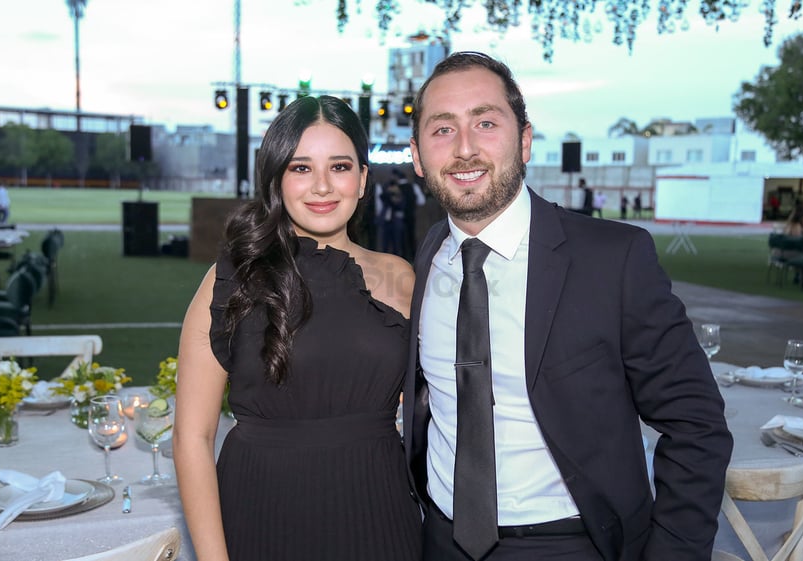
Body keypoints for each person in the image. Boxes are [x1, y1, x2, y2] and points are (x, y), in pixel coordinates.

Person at [403, 51, 732, 561]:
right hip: (440, 540)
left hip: (573, 544)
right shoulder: (428, 257)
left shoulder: (614, 259)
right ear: (418, 155)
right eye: (442, 129)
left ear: (525, 140)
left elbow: (697, 426)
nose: (465, 148)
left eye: (486, 122)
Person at [173, 95, 422, 561]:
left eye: (341, 167)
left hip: (380, 514)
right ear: (276, 179)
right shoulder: (231, 280)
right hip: (261, 513)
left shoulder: (402, 277)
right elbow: (192, 437)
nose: (323, 186)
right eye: (301, 168)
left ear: (364, 178)